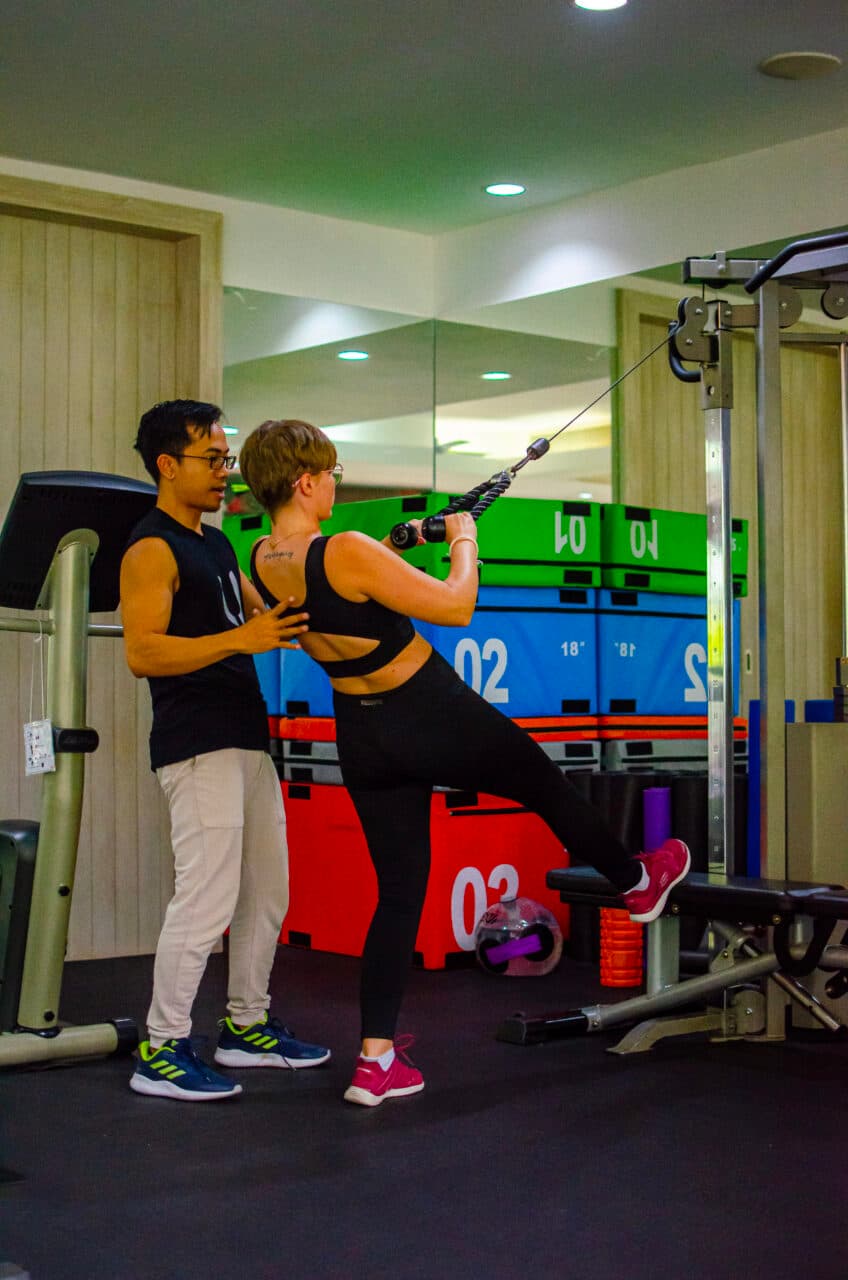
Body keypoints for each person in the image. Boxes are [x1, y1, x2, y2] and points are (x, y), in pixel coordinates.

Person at [238, 418, 690, 1108]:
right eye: (329, 474)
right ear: (304, 482)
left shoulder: (261, 560)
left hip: (360, 733)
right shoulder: (346, 550)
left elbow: (326, 619)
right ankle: (635, 882)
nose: (334, 483)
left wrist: (398, 547)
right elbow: (456, 605)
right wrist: (464, 538)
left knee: (397, 894)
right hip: (429, 710)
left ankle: (376, 1061)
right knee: (542, 782)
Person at [119, 400, 331, 1102]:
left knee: (268, 894)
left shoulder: (217, 545)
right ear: (166, 466)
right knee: (205, 900)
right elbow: (143, 651)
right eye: (211, 460)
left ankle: (246, 1027)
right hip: (196, 745)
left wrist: (359, 565)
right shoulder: (150, 547)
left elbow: (271, 614)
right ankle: (163, 1045)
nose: (224, 473)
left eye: (226, 459)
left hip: (247, 738)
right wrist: (240, 640)